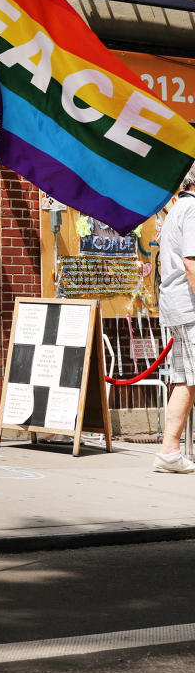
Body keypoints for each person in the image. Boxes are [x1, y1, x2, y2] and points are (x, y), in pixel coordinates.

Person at [153, 161, 195, 472]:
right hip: (189, 305)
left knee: (185, 379)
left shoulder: (177, 210)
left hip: (176, 304)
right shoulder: (192, 210)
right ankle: (168, 451)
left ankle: (169, 451)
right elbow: (192, 262)